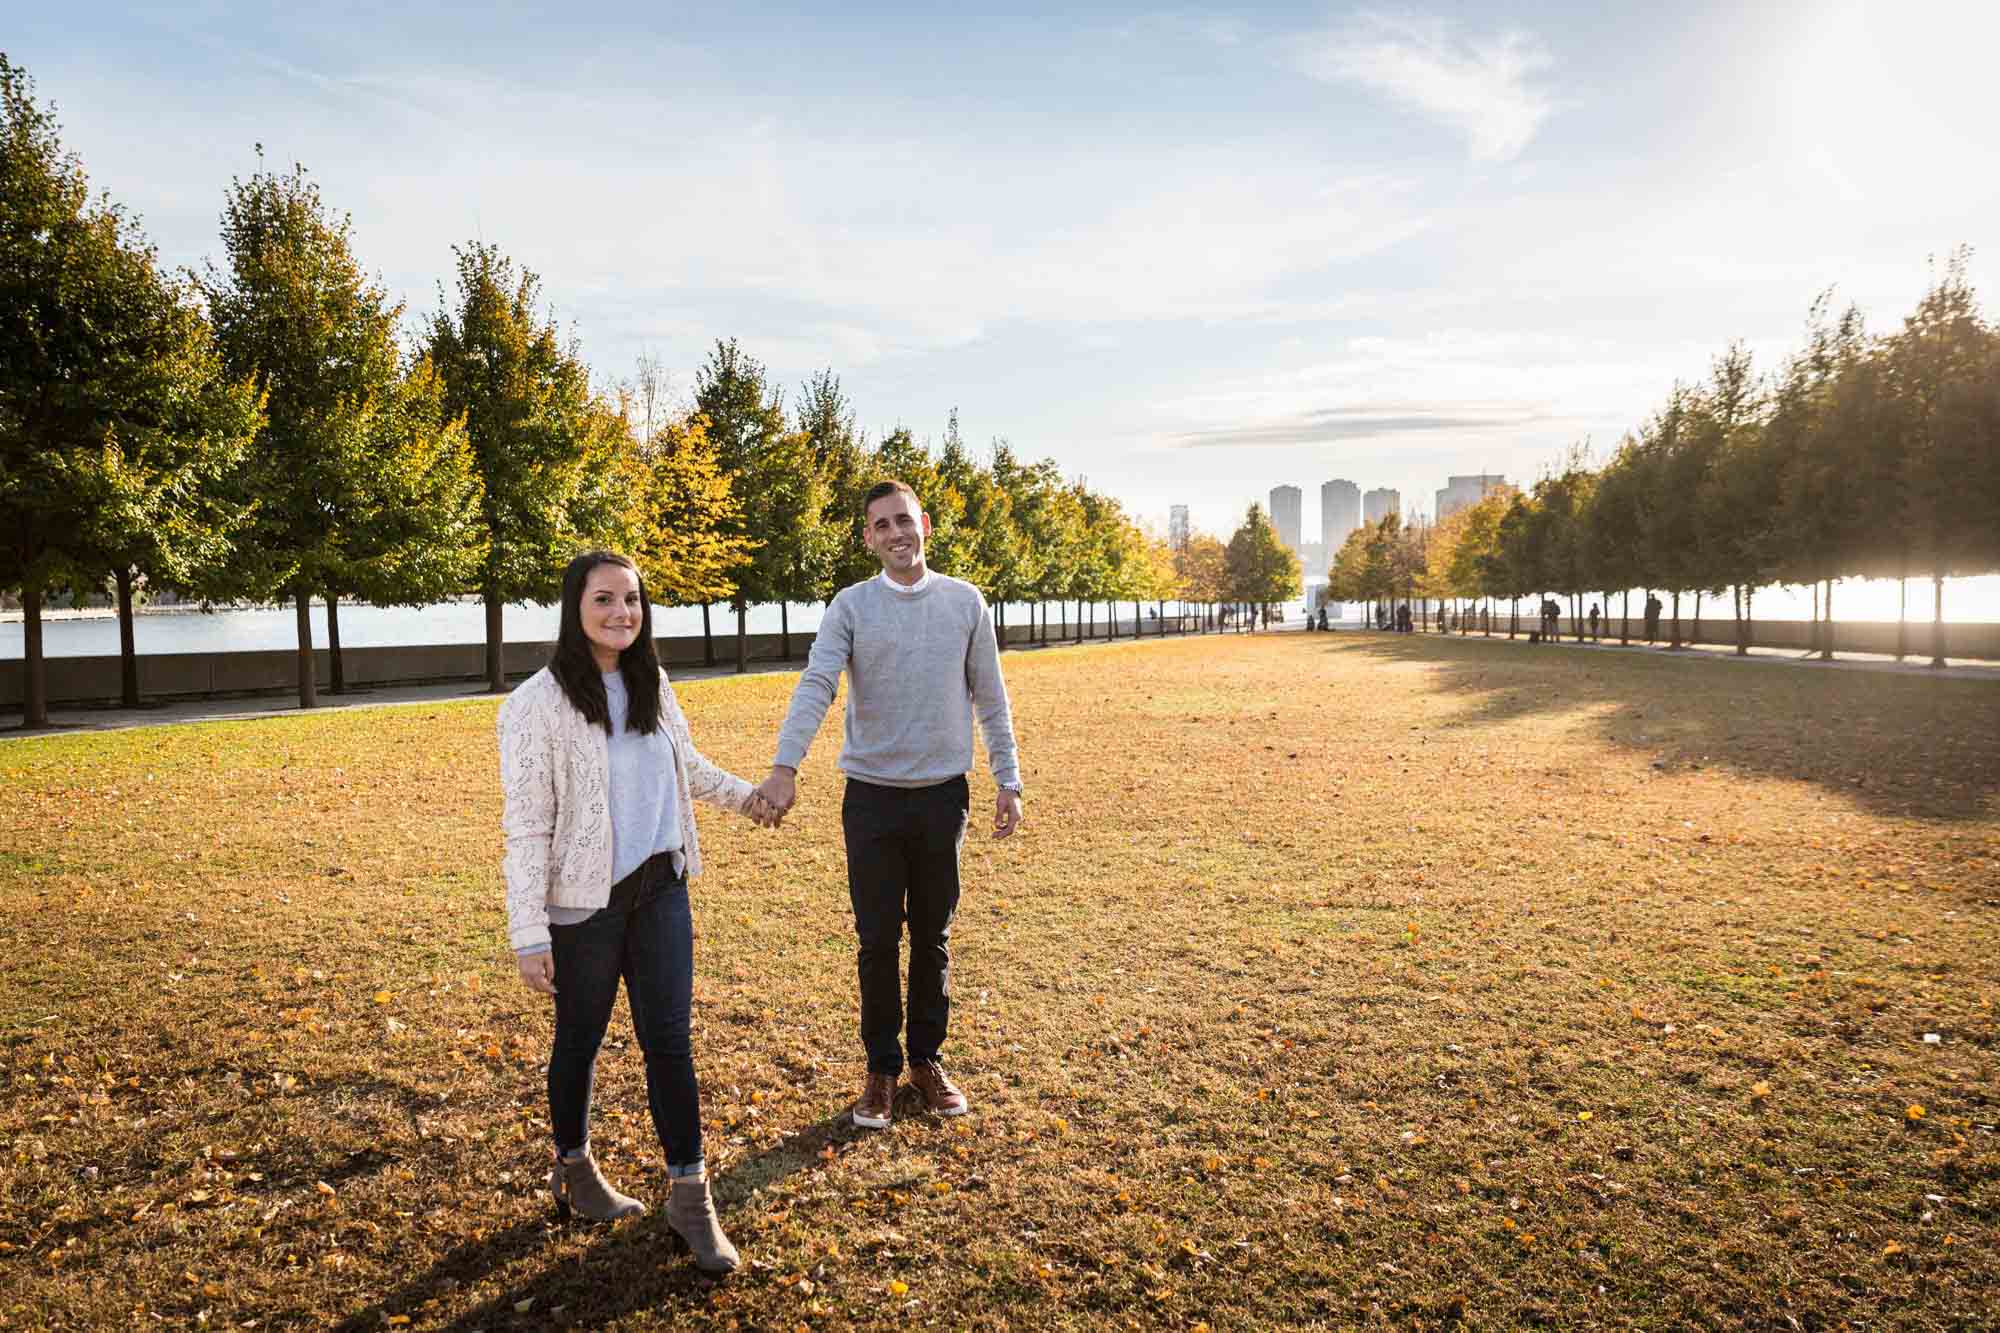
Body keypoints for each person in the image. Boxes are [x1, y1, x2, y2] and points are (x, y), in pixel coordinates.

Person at [498, 550, 778, 1274]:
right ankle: (576, 1167)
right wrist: (529, 931)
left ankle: (690, 1194)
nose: (621, 611)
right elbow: (526, 825)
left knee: (670, 1042)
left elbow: (688, 767)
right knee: (580, 1039)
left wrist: (750, 799)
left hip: (661, 890)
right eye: (604, 599)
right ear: (575, 607)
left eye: (632, 598)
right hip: (583, 905)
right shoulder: (536, 704)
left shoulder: (654, 682)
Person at [755, 480, 1023, 1130]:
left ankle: (926, 1061)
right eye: (882, 524)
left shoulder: (965, 603)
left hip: (941, 798)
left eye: (904, 519)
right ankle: (881, 1066)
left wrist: (1007, 777)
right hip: (871, 800)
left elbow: (990, 695)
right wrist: (784, 767)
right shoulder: (851, 606)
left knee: (932, 936)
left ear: (923, 524)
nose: (897, 532)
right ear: (869, 537)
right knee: (877, 940)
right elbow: (818, 682)